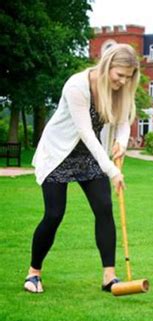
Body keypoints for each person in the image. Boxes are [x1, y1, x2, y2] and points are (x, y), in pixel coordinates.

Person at [24, 44, 140, 293]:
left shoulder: (121, 89)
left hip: (89, 157)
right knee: (54, 213)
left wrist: (121, 141)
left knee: (104, 208)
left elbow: (123, 120)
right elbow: (86, 132)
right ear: (107, 65)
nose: (123, 81)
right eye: (119, 75)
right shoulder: (77, 86)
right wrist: (112, 170)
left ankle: (109, 277)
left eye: (128, 77)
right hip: (59, 153)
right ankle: (33, 274)